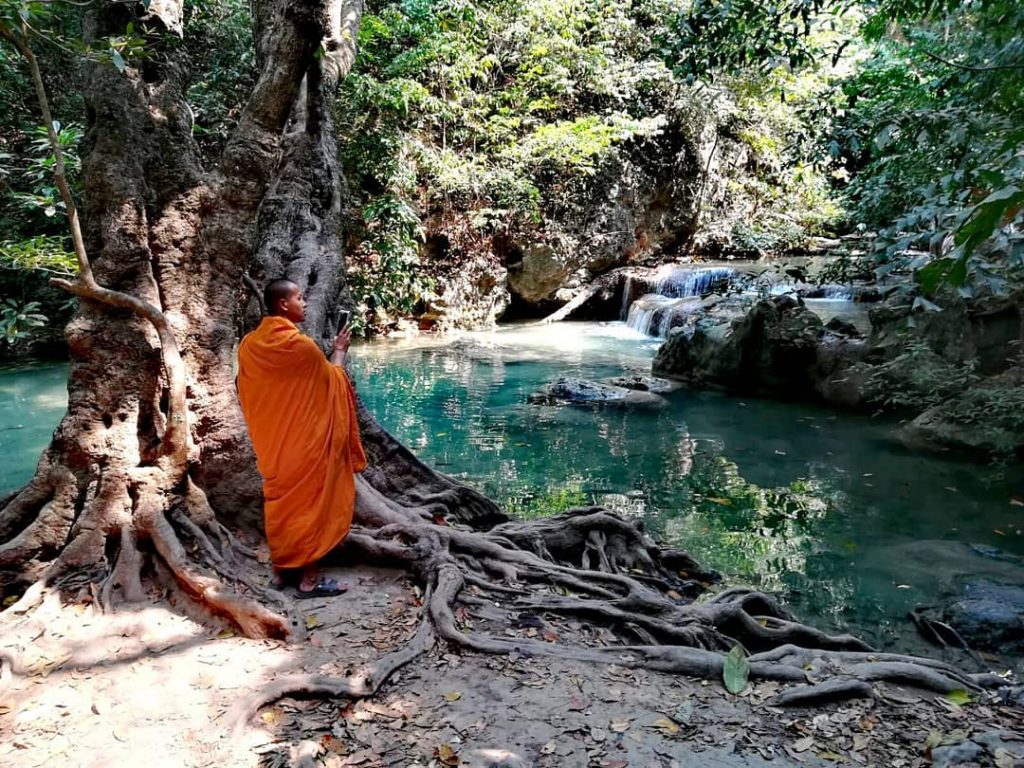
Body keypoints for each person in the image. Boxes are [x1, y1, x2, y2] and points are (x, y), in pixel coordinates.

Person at [237, 278, 367, 597]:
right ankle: (310, 579)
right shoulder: (302, 347)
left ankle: (283, 570)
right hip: (306, 448)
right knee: (312, 506)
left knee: (282, 506)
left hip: (273, 446)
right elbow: (333, 383)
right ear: (283, 304)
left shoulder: (249, 346)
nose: (305, 302)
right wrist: (339, 351)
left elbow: (250, 392)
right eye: (299, 297)